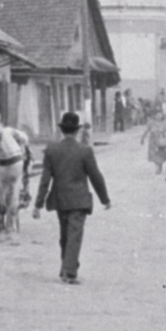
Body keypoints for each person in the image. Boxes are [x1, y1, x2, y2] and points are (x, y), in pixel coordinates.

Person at [33, 110, 111, 284]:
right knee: (74, 236)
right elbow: (95, 176)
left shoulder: (52, 150)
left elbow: (45, 180)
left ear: (62, 130)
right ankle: (69, 271)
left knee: (65, 235)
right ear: (77, 131)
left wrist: (38, 204)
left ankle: (66, 268)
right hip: (79, 199)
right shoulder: (84, 151)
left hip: (60, 200)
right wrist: (105, 199)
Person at [0, 117, 31, 242]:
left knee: (13, 194)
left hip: (15, 163)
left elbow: (25, 138)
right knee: (1, 194)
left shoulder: (10, 132)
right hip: (0, 164)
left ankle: (10, 226)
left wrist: (21, 140)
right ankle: (1, 219)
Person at [141, 110, 166, 175]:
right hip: (153, 141)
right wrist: (142, 138)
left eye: (160, 115)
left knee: (161, 154)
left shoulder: (164, 123)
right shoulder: (151, 123)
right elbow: (147, 131)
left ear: (162, 116)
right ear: (154, 116)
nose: (158, 116)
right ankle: (157, 165)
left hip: (161, 141)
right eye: (157, 115)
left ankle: (159, 166)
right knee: (153, 154)